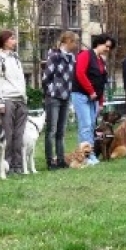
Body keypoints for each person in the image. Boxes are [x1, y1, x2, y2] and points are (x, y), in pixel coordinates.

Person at [71, 34, 115, 165]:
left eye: (110, 47)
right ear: (99, 43)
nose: (108, 49)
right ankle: (86, 156)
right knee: (85, 125)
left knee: (91, 126)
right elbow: (80, 73)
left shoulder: (101, 61)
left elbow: (101, 82)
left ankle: (90, 154)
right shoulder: (85, 55)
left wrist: (100, 102)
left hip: (94, 98)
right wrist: (90, 91)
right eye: (106, 46)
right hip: (81, 95)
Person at [0, 30, 27, 174]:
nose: (15, 41)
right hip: (7, 100)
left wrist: (24, 96)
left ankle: (18, 165)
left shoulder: (16, 57)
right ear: (4, 41)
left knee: (19, 134)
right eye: (12, 38)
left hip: (20, 99)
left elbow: (21, 79)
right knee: (8, 134)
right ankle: (6, 165)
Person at [42, 31, 79, 170]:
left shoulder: (72, 58)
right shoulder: (55, 56)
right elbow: (46, 77)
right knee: (51, 130)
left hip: (66, 97)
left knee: (61, 131)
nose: (76, 45)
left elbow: (70, 79)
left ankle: (61, 159)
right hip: (54, 97)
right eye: (74, 42)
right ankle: (50, 161)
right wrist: (51, 91)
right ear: (67, 41)